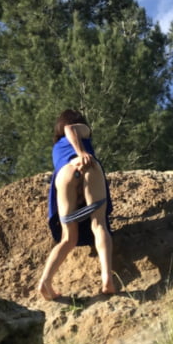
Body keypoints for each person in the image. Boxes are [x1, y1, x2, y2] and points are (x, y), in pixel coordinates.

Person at [38, 109, 116, 300]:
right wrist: (82, 153)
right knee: (98, 225)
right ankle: (107, 276)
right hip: (87, 166)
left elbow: (65, 131)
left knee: (68, 238)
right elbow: (70, 128)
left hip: (64, 174)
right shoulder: (82, 129)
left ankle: (45, 281)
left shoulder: (56, 147)